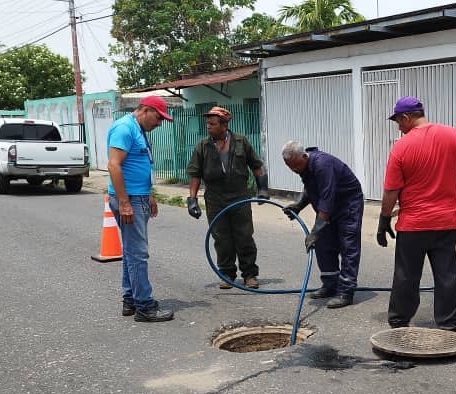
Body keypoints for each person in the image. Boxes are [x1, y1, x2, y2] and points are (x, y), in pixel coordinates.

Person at [378, 96, 456, 333]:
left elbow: (391, 190)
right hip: (445, 223)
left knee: (406, 276)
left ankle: (399, 322)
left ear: (406, 118)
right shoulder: (452, 136)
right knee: (447, 276)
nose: (399, 128)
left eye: (398, 122)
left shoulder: (401, 147)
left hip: (413, 225)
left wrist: (384, 220)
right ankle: (451, 325)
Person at [185, 106, 269, 289]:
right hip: (215, 198)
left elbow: (256, 166)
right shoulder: (203, 146)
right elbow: (195, 174)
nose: (208, 127)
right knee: (221, 238)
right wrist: (192, 199)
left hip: (239, 195)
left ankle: (249, 275)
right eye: (207, 123)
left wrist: (262, 188)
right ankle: (226, 274)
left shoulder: (241, 142)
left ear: (224, 125)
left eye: (212, 124)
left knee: (244, 236)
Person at [108, 96, 175, 322]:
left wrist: (149, 194)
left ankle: (130, 299)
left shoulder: (137, 129)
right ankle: (144, 306)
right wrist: (125, 202)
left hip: (139, 196)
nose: (159, 124)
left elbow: (139, 164)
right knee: (138, 253)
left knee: (130, 251)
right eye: (158, 118)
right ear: (146, 110)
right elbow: (113, 165)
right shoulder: (124, 128)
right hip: (130, 199)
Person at [281, 141, 364, 309]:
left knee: (348, 246)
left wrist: (315, 231)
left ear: (304, 156)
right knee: (323, 244)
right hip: (329, 207)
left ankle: (345, 292)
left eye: (296, 166)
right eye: (290, 168)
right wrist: (298, 205)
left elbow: (327, 198)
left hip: (347, 205)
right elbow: (310, 188)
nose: (295, 170)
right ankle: (330, 284)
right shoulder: (305, 166)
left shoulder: (322, 165)